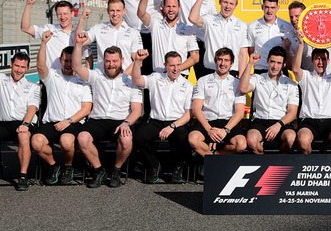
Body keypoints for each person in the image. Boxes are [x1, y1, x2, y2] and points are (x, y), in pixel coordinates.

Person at [72, 37, 143, 189]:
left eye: (115, 61)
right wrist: (78, 45)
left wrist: (127, 123)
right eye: (108, 61)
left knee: (126, 139)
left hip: (120, 121)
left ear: (122, 60)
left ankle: (116, 170)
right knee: (82, 138)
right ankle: (99, 170)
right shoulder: (96, 76)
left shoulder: (131, 81)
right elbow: (76, 66)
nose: (111, 65)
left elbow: (137, 110)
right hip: (97, 120)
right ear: (104, 61)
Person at [0, 40, 40, 192]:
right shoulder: (0, 80)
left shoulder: (33, 86)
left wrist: (25, 124)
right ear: (11, 64)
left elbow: (32, 108)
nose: (19, 70)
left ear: (27, 68)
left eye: (23, 67)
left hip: (24, 122)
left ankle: (23, 176)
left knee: (24, 137)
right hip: (4, 124)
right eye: (17, 65)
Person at [30, 32, 92, 186]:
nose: (69, 63)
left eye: (72, 61)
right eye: (66, 60)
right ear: (60, 60)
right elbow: (40, 65)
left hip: (73, 122)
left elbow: (86, 108)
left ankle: (68, 167)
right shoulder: (52, 76)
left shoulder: (83, 80)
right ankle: (53, 166)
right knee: (36, 142)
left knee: (66, 141)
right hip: (51, 122)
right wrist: (43, 43)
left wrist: (68, 121)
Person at [131, 50, 193, 184]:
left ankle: (177, 167)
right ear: (165, 65)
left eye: (178, 65)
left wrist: (172, 126)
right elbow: (136, 79)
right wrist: (137, 61)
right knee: (139, 136)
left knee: (185, 138)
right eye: (172, 65)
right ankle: (154, 164)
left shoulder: (188, 85)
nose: (176, 69)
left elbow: (189, 113)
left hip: (177, 122)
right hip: (156, 121)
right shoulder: (155, 78)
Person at [291, 30, 331, 154]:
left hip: (329, 121)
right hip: (308, 121)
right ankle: (310, 168)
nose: (320, 62)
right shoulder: (306, 76)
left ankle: (330, 166)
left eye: (323, 59)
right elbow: (295, 68)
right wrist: (301, 44)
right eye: (317, 59)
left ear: (328, 62)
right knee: (303, 141)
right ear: (312, 61)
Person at [187, 47, 247, 158]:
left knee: (241, 144)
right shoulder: (203, 81)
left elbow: (240, 112)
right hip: (207, 121)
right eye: (220, 60)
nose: (222, 63)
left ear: (232, 63)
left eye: (226, 60)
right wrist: (209, 129)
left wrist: (226, 130)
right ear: (215, 61)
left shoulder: (238, 83)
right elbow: (196, 109)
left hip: (228, 123)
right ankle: (213, 160)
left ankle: (215, 157)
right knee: (193, 139)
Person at [239, 47, 299, 154]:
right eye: (272, 62)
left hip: (281, 122)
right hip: (260, 121)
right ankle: (264, 164)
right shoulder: (258, 78)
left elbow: (293, 113)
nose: (275, 66)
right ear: (267, 61)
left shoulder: (291, 84)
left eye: (278, 63)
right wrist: (250, 64)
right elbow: (243, 88)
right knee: (251, 140)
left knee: (291, 138)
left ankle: (279, 164)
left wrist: (278, 125)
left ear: (283, 64)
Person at [163, 0, 218, 79]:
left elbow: (214, 25)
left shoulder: (209, 0)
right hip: (183, 43)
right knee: (179, 78)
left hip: (202, 45)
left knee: (204, 79)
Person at [189, 0, 249, 77]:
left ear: (236, 6)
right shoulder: (209, 19)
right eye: (225, 2)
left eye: (231, 4)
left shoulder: (242, 25)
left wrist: (241, 77)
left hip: (232, 72)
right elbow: (192, 18)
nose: (228, 6)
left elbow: (243, 54)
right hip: (210, 70)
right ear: (220, 2)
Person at [137, 0, 198, 76]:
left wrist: (177, 68)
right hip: (158, 75)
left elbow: (195, 56)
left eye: (174, 6)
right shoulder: (156, 24)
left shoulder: (188, 29)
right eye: (168, 6)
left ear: (179, 9)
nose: (171, 9)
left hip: (180, 76)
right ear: (163, 8)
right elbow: (141, 13)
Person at [75, 0, 142, 69]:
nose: (115, 14)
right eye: (112, 10)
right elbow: (78, 42)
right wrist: (82, 19)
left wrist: (124, 76)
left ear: (124, 11)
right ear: (107, 11)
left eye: (118, 10)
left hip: (124, 78)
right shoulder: (98, 28)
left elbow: (138, 61)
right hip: (102, 77)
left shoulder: (134, 33)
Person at [20, 0, 79, 69]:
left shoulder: (79, 33)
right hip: (51, 78)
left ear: (72, 14)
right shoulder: (49, 29)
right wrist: (29, 4)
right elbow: (25, 28)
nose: (62, 17)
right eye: (59, 14)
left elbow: (88, 56)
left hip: (72, 78)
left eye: (65, 14)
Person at [244, 0, 294, 74]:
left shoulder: (287, 26)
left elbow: (290, 51)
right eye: (267, 7)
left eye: (272, 7)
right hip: (260, 70)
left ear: (278, 8)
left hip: (280, 70)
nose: (269, 11)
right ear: (262, 7)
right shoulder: (252, 26)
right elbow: (251, 51)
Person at [286, 1, 331, 74]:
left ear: (305, 15)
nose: (293, 20)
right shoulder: (289, 38)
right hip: (309, 82)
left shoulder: (324, 27)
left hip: (330, 78)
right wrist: (287, 50)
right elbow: (292, 67)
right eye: (291, 17)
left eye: (297, 16)